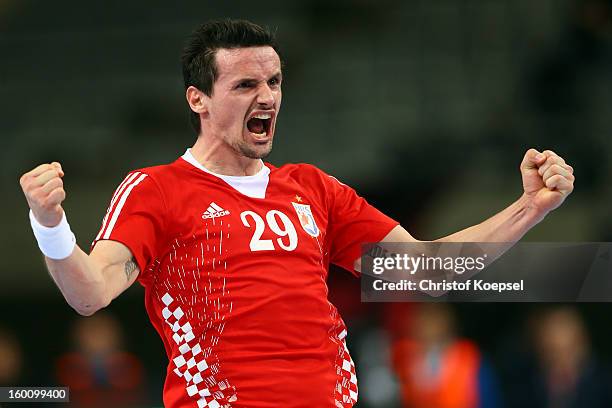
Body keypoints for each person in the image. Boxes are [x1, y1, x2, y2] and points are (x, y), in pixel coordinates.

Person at [18, 19, 575, 408]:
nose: (268, 97)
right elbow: (88, 294)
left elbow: (424, 270)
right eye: (245, 84)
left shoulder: (312, 188)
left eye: (275, 82)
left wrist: (530, 208)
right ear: (198, 100)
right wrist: (50, 223)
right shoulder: (157, 191)